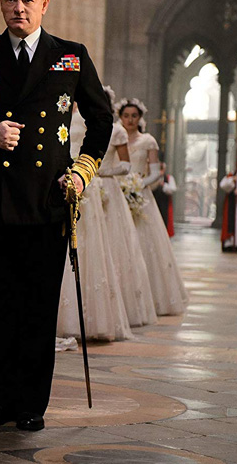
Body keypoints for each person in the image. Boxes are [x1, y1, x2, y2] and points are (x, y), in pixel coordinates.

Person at [0, 0, 113, 431]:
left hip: (47, 200)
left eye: (27, 0)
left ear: (44, 4)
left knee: (36, 306)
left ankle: (32, 404)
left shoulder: (71, 57)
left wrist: (81, 172)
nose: (18, 8)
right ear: (1, 2)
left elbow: (101, 122)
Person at [58, 105, 131, 341]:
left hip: (85, 180)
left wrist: (90, 173)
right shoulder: (57, 114)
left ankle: (92, 317)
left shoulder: (90, 119)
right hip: (61, 181)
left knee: (91, 243)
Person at [119, 99, 187, 316]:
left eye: (134, 116)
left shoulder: (148, 141)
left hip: (140, 193)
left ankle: (149, 296)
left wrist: (137, 185)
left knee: (143, 242)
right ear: (120, 117)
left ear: (140, 118)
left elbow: (156, 172)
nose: (130, 120)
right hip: (119, 193)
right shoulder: (115, 137)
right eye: (126, 115)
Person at [152, 161, 176, 237]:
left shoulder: (169, 178)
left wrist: (163, 185)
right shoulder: (152, 177)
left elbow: (172, 189)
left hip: (164, 203)